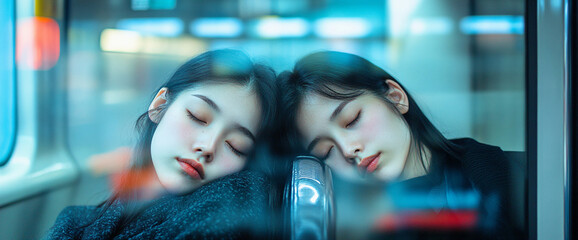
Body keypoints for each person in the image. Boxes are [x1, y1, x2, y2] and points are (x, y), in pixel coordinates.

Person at [277, 51, 521, 239]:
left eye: (352, 120)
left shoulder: (518, 179)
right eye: (326, 151)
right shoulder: (342, 227)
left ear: (395, 97)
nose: (348, 149)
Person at [46, 49, 277, 239]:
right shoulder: (73, 222)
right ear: (159, 105)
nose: (207, 147)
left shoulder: (235, 206)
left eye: (236, 146)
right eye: (197, 116)